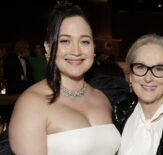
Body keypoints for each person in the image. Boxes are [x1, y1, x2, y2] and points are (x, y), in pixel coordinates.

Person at [9, 2, 120, 155]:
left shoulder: (102, 98)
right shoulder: (31, 104)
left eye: (84, 41)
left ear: (93, 47)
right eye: (65, 41)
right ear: (48, 47)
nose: (76, 51)